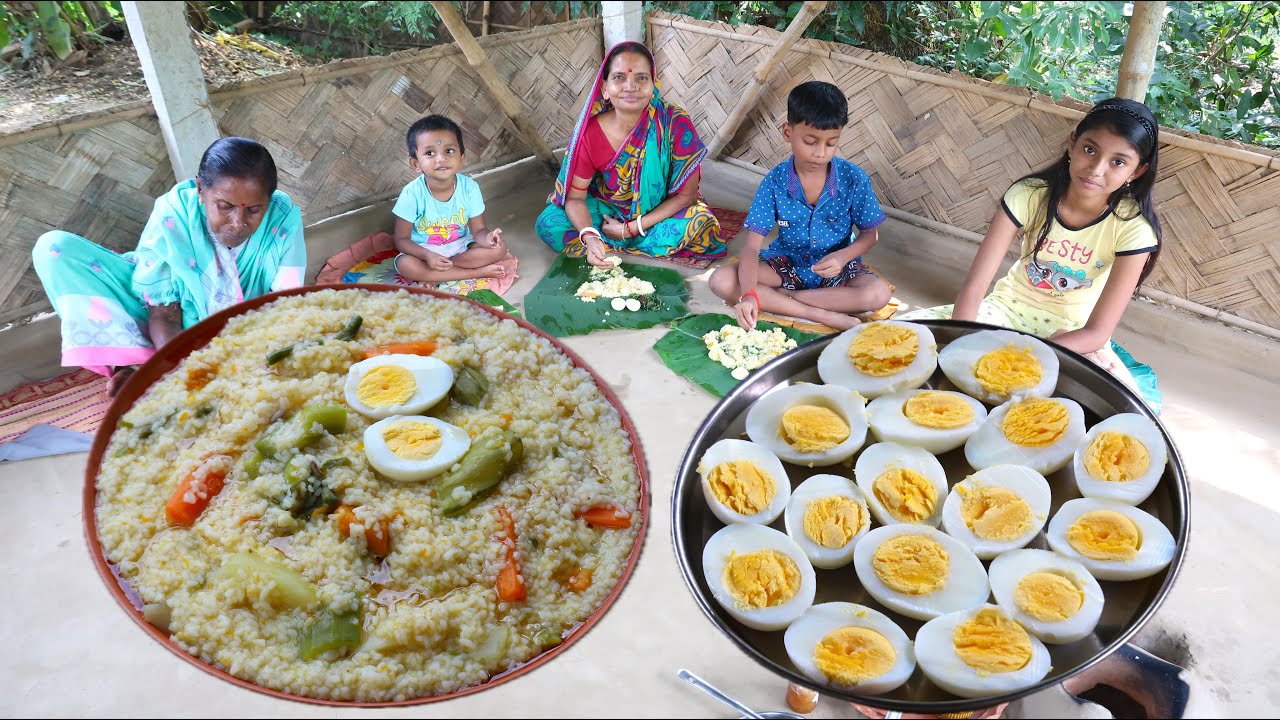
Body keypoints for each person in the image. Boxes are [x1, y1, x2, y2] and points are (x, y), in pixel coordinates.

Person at [899, 98, 1163, 403]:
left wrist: (1032, 356)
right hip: (1003, 311)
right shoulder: (1029, 194)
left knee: (1121, 405)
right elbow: (974, 288)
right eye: (1090, 150)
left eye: (1118, 162)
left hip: (1071, 335)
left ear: (1137, 171)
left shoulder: (1133, 230)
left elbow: (1097, 333)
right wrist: (964, 342)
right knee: (905, 339)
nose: (1096, 169)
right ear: (1072, 144)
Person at [31, 136, 306, 395]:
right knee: (54, 249)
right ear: (200, 188)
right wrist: (179, 374)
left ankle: (153, 370)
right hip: (166, 326)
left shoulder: (283, 219)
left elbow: (286, 306)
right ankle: (134, 364)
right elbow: (164, 313)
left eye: (254, 210)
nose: (238, 223)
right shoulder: (174, 213)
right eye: (225, 206)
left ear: (269, 201)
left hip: (246, 328)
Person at [709, 81, 892, 332]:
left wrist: (842, 256)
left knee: (878, 294)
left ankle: (782, 300)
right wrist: (750, 293)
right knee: (721, 279)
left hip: (836, 271)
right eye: (810, 141)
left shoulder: (854, 179)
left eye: (831, 143)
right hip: (786, 266)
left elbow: (870, 234)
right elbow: (752, 247)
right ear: (788, 132)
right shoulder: (775, 181)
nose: (821, 153)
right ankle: (820, 314)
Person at [535, 41, 726, 266]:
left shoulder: (674, 122)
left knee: (701, 222)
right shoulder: (591, 133)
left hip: (658, 214)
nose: (630, 86)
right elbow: (575, 198)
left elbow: (687, 196)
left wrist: (630, 228)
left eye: (641, 78)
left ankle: (620, 243)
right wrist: (590, 236)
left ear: (653, 85)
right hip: (608, 211)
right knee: (549, 223)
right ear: (604, 88)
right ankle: (609, 245)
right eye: (619, 77)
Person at [392, 114, 509, 283]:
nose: (441, 158)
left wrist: (489, 238)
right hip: (424, 250)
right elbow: (401, 240)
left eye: (449, 151)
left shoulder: (469, 187)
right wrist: (427, 255)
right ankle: (476, 272)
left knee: (500, 249)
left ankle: (437, 273)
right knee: (406, 265)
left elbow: (478, 231)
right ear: (416, 164)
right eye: (430, 153)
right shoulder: (411, 193)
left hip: (459, 246)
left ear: (461, 158)